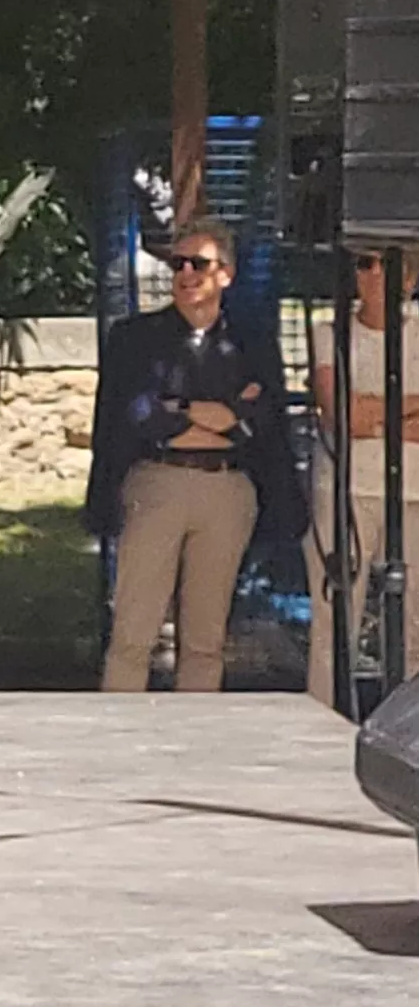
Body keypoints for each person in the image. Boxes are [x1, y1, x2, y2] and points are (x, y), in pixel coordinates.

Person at [89, 221, 302, 692]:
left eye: (199, 263)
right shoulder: (136, 337)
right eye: (178, 264)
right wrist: (215, 412)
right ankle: (114, 737)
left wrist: (186, 410)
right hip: (157, 483)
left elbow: (258, 418)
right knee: (133, 633)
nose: (186, 273)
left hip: (227, 490)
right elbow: (140, 414)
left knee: (205, 639)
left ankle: (196, 742)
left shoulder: (250, 340)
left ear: (225, 273)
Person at [305, 253, 419, 703]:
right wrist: (407, 412)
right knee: (334, 618)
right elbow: (342, 415)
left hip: (413, 492)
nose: (370, 275)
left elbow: (361, 413)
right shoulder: (330, 334)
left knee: (416, 621)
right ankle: (320, 727)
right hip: (344, 491)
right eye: (362, 264)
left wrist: (372, 409)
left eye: (383, 265)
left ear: (408, 278)